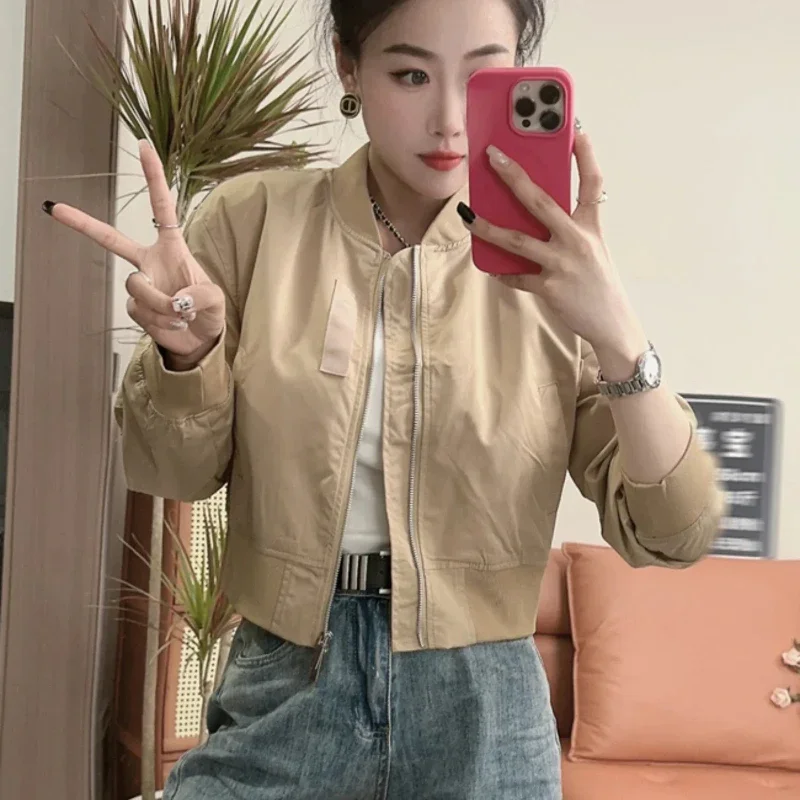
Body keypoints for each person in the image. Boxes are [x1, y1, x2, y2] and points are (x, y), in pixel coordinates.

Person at [44, 0, 725, 796]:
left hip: (484, 708)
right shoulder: (252, 223)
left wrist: (617, 334)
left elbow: (673, 533)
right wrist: (186, 352)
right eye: (410, 74)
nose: (448, 121)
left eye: (482, 77)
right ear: (348, 65)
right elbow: (172, 470)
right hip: (288, 679)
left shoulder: (558, 274)